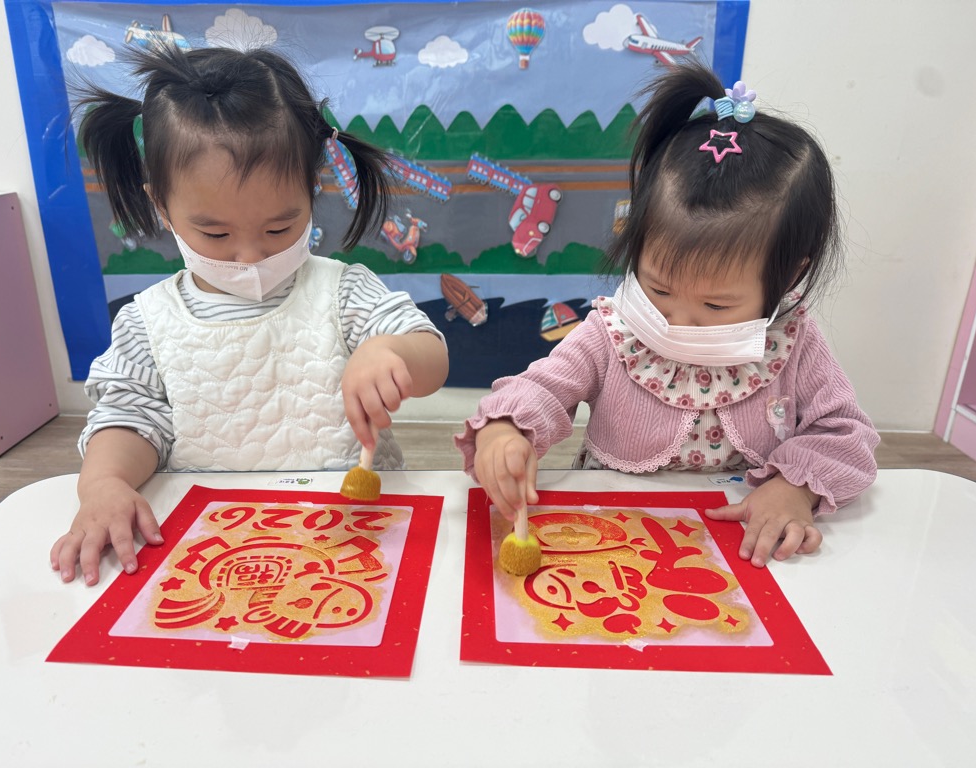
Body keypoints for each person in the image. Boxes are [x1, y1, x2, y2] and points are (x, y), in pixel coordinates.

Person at [52, 44, 449, 586]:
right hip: (216, 547)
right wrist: (104, 484)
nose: (249, 256)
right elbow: (129, 418)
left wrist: (390, 351)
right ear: (161, 206)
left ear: (311, 191)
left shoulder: (342, 291)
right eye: (215, 233)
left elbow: (430, 356)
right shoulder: (149, 321)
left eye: (279, 228)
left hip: (355, 537)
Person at [456, 61, 878, 568]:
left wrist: (795, 488)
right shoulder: (615, 329)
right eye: (658, 288)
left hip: (735, 547)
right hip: (609, 535)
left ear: (789, 276)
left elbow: (844, 433)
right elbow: (543, 388)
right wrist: (506, 429)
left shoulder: (793, 342)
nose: (677, 320)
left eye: (715, 305)